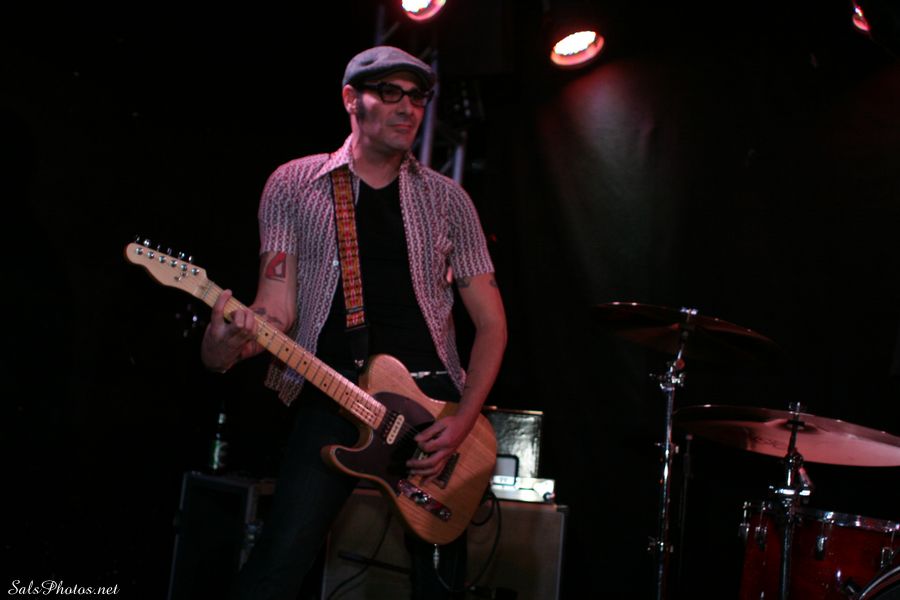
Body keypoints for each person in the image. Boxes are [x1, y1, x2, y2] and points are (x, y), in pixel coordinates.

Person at [200, 45, 507, 599]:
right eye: (389, 92)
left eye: (417, 97)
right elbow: (276, 310)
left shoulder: (449, 200)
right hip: (335, 398)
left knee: (439, 588)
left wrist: (464, 418)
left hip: (435, 416)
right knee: (275, 567)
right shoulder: (295, 184)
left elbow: (492, 325)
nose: (407, 108)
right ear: (350, 99)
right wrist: (227, 341)